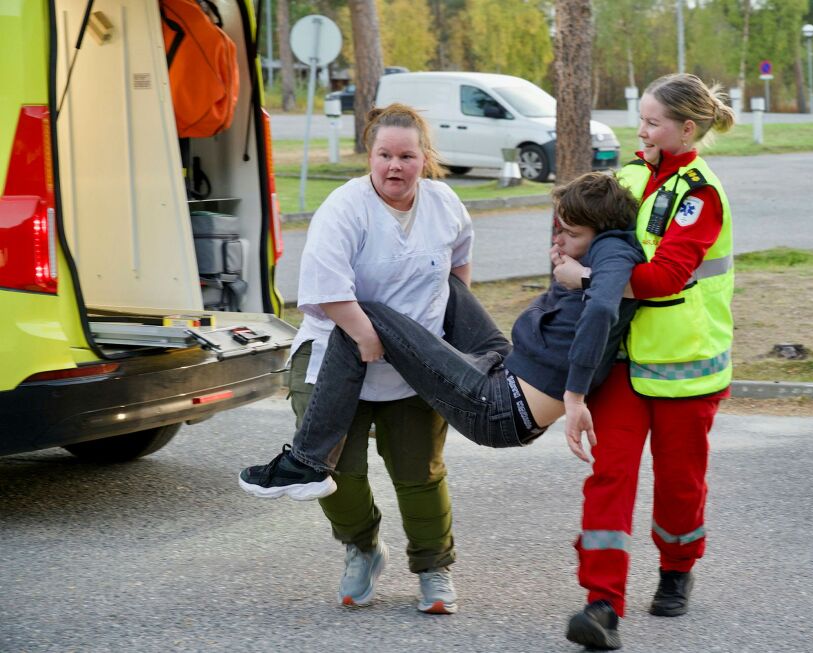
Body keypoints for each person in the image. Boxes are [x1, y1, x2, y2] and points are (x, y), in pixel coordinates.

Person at [241, 171, 645, 496]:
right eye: (558, 229)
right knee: (444, 281)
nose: (559, 239)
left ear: (603, 229)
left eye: (571, 233)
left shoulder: (613, 252)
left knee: (362, 318)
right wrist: (570, 269)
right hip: (505, 368)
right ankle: (412, 345)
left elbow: (603, 309)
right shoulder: (600, 249)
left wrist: (575, 397)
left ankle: (307, 463)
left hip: (499, 409)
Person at [248, 103, 473, 615]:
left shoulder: (444, 203)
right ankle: (363, 546)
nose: (395, 166)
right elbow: (328, 289)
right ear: (370, 156)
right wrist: (367, 338)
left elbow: (460, 262)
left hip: (413, 362)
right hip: (338, 351)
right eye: (384, 155)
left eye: (407, 156)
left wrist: (451, 328)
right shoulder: (344, 207)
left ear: (425, 158)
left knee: (420, 471)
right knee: (331, 472)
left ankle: (434, 567)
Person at [553, 74, 736, 651]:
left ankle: (677, 571)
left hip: (686, 365)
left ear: (688, 128)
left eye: (653, 122)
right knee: (610, 477)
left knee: (680, 485)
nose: (642, 130)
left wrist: (585, 279)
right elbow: (578, 229)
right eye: (640, 118)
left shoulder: (701, 194)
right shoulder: (629, 175)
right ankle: (601, 603)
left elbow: (660, 278)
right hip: (624, 363)